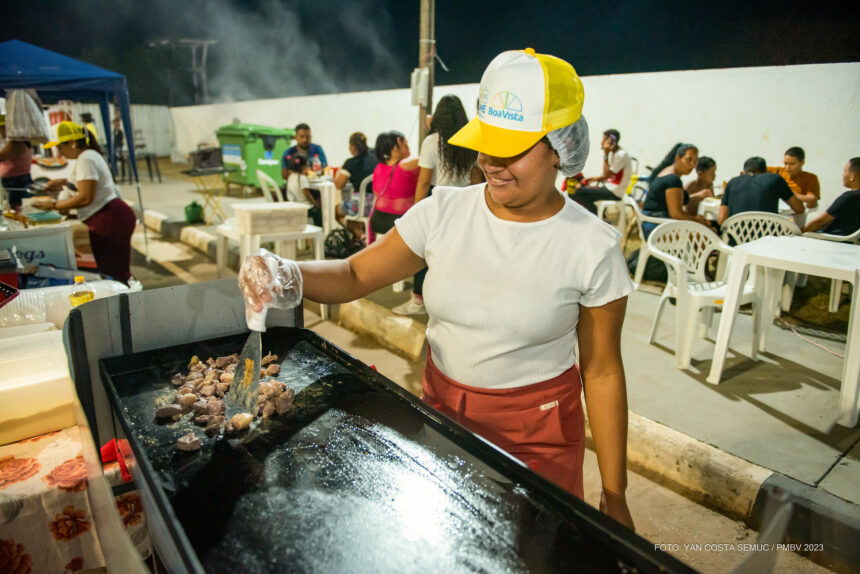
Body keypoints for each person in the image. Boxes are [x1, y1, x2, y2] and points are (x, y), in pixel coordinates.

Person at [239, 48, 636, 531]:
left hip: (537, 434)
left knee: (532, 549)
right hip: (445, 415)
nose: (490, 162)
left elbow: (601, 372)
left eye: (511, 149)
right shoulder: (445, 211)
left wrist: (614, 494)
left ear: (560, 148)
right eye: (487, 143)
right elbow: (356, 274)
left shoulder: (591, 246)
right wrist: (289, 274)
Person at [394, 94, 479, 316]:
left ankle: (418, 301)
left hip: (441, 202)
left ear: (438, 117)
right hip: (468, 202)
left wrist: (416, 212)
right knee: (461, 254)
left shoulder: (432, 141)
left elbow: (424, 181)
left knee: (425, 252)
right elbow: (477, 179)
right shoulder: (471, 139)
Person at [32, 121, 136, 284]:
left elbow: (85, 197)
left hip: (111, 219)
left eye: (60, 147)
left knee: (115, 273)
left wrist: (53, 205)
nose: (59, 152)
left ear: (73, 143)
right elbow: (82, 185)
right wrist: (64, 183)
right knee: (112, 269)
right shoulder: (88, 156)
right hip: (109, 217)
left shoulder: (86, 159)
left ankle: (128, 302)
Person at [641, 143, 712, 237]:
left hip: (652, 223)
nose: (692, 165)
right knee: (709, 234)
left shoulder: (667, 172)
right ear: (677, 158)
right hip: (657, 228)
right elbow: (676, 214)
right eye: (688, 160)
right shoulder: (672, 180)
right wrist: (699, 223)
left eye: (695, 161)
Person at [717, 157, 803, 226]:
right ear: (765, 171)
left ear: (743, 172)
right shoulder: (775, 179)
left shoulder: (732, 182)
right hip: (767, 239)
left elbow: (721, 220)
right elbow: (799, 208)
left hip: (736, 241)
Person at [367, 131, 419, 243]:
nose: (408, 147)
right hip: (399, 222)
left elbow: (376, 194)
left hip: (377, 220)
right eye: (405, 143)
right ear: (396, 147)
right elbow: (428, 157)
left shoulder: (378, 167)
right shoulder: (408, 164)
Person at [570, 129, 632, 214]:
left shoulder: (621, 155)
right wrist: (586, 180)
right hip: (609, 188)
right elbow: (605, 176)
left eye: (604, 139)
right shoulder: (614, 153)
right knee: (578, 191)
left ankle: (595, 217)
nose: (602, 142)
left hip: (614, 192)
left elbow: (606, 175)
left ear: (612, 141)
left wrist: (606, 154)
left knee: (580, 192)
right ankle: (599, 216)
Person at [334, 132, 378, 239]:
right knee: (353, 212)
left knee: (337, 210)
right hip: (377, 202)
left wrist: (339, 170)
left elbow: (339, 185)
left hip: (362, 204)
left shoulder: (350, 163)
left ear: (352, 147)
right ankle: (362, 235)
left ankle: (359, 235)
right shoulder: (376, 159)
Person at [802, 157, 860, 236]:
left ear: (852, 176)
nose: (843, 175)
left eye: (844, 171)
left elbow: (819, 222)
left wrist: (798, 232)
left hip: (834, 240)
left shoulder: (849, 197)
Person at [0, 114, 33, 210]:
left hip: (18, 182)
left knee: (19, 209)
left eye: (2, 127)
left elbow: (2, 156)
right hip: (13, 181)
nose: (1, 131)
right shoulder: (12, 141)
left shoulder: (16, 141)